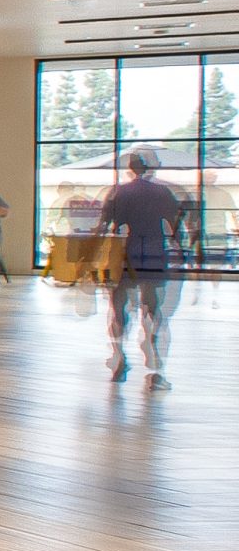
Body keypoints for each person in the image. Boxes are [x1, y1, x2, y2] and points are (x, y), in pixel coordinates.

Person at [96, 150, 186, 389]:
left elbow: (105, 225)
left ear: (130, 169)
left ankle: (119, 356)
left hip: (128, 252)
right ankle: (153, 355)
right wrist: (180, 246)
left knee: (118, 307)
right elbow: (175, 226)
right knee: (152, 306)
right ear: (147, 169)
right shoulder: (162, 192)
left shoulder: (119, 192)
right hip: (154, 253)